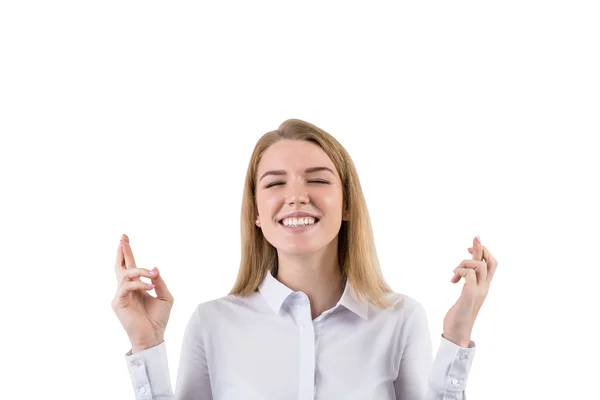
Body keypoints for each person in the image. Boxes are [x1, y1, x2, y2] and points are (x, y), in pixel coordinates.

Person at [112, 118, 498, 399]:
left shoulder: (399, 319)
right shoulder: (212, 323)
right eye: (276, 183)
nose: (296, 195)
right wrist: (146, 344)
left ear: (346, 204)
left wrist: (458, 336)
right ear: (256, 213)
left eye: (317, 179)